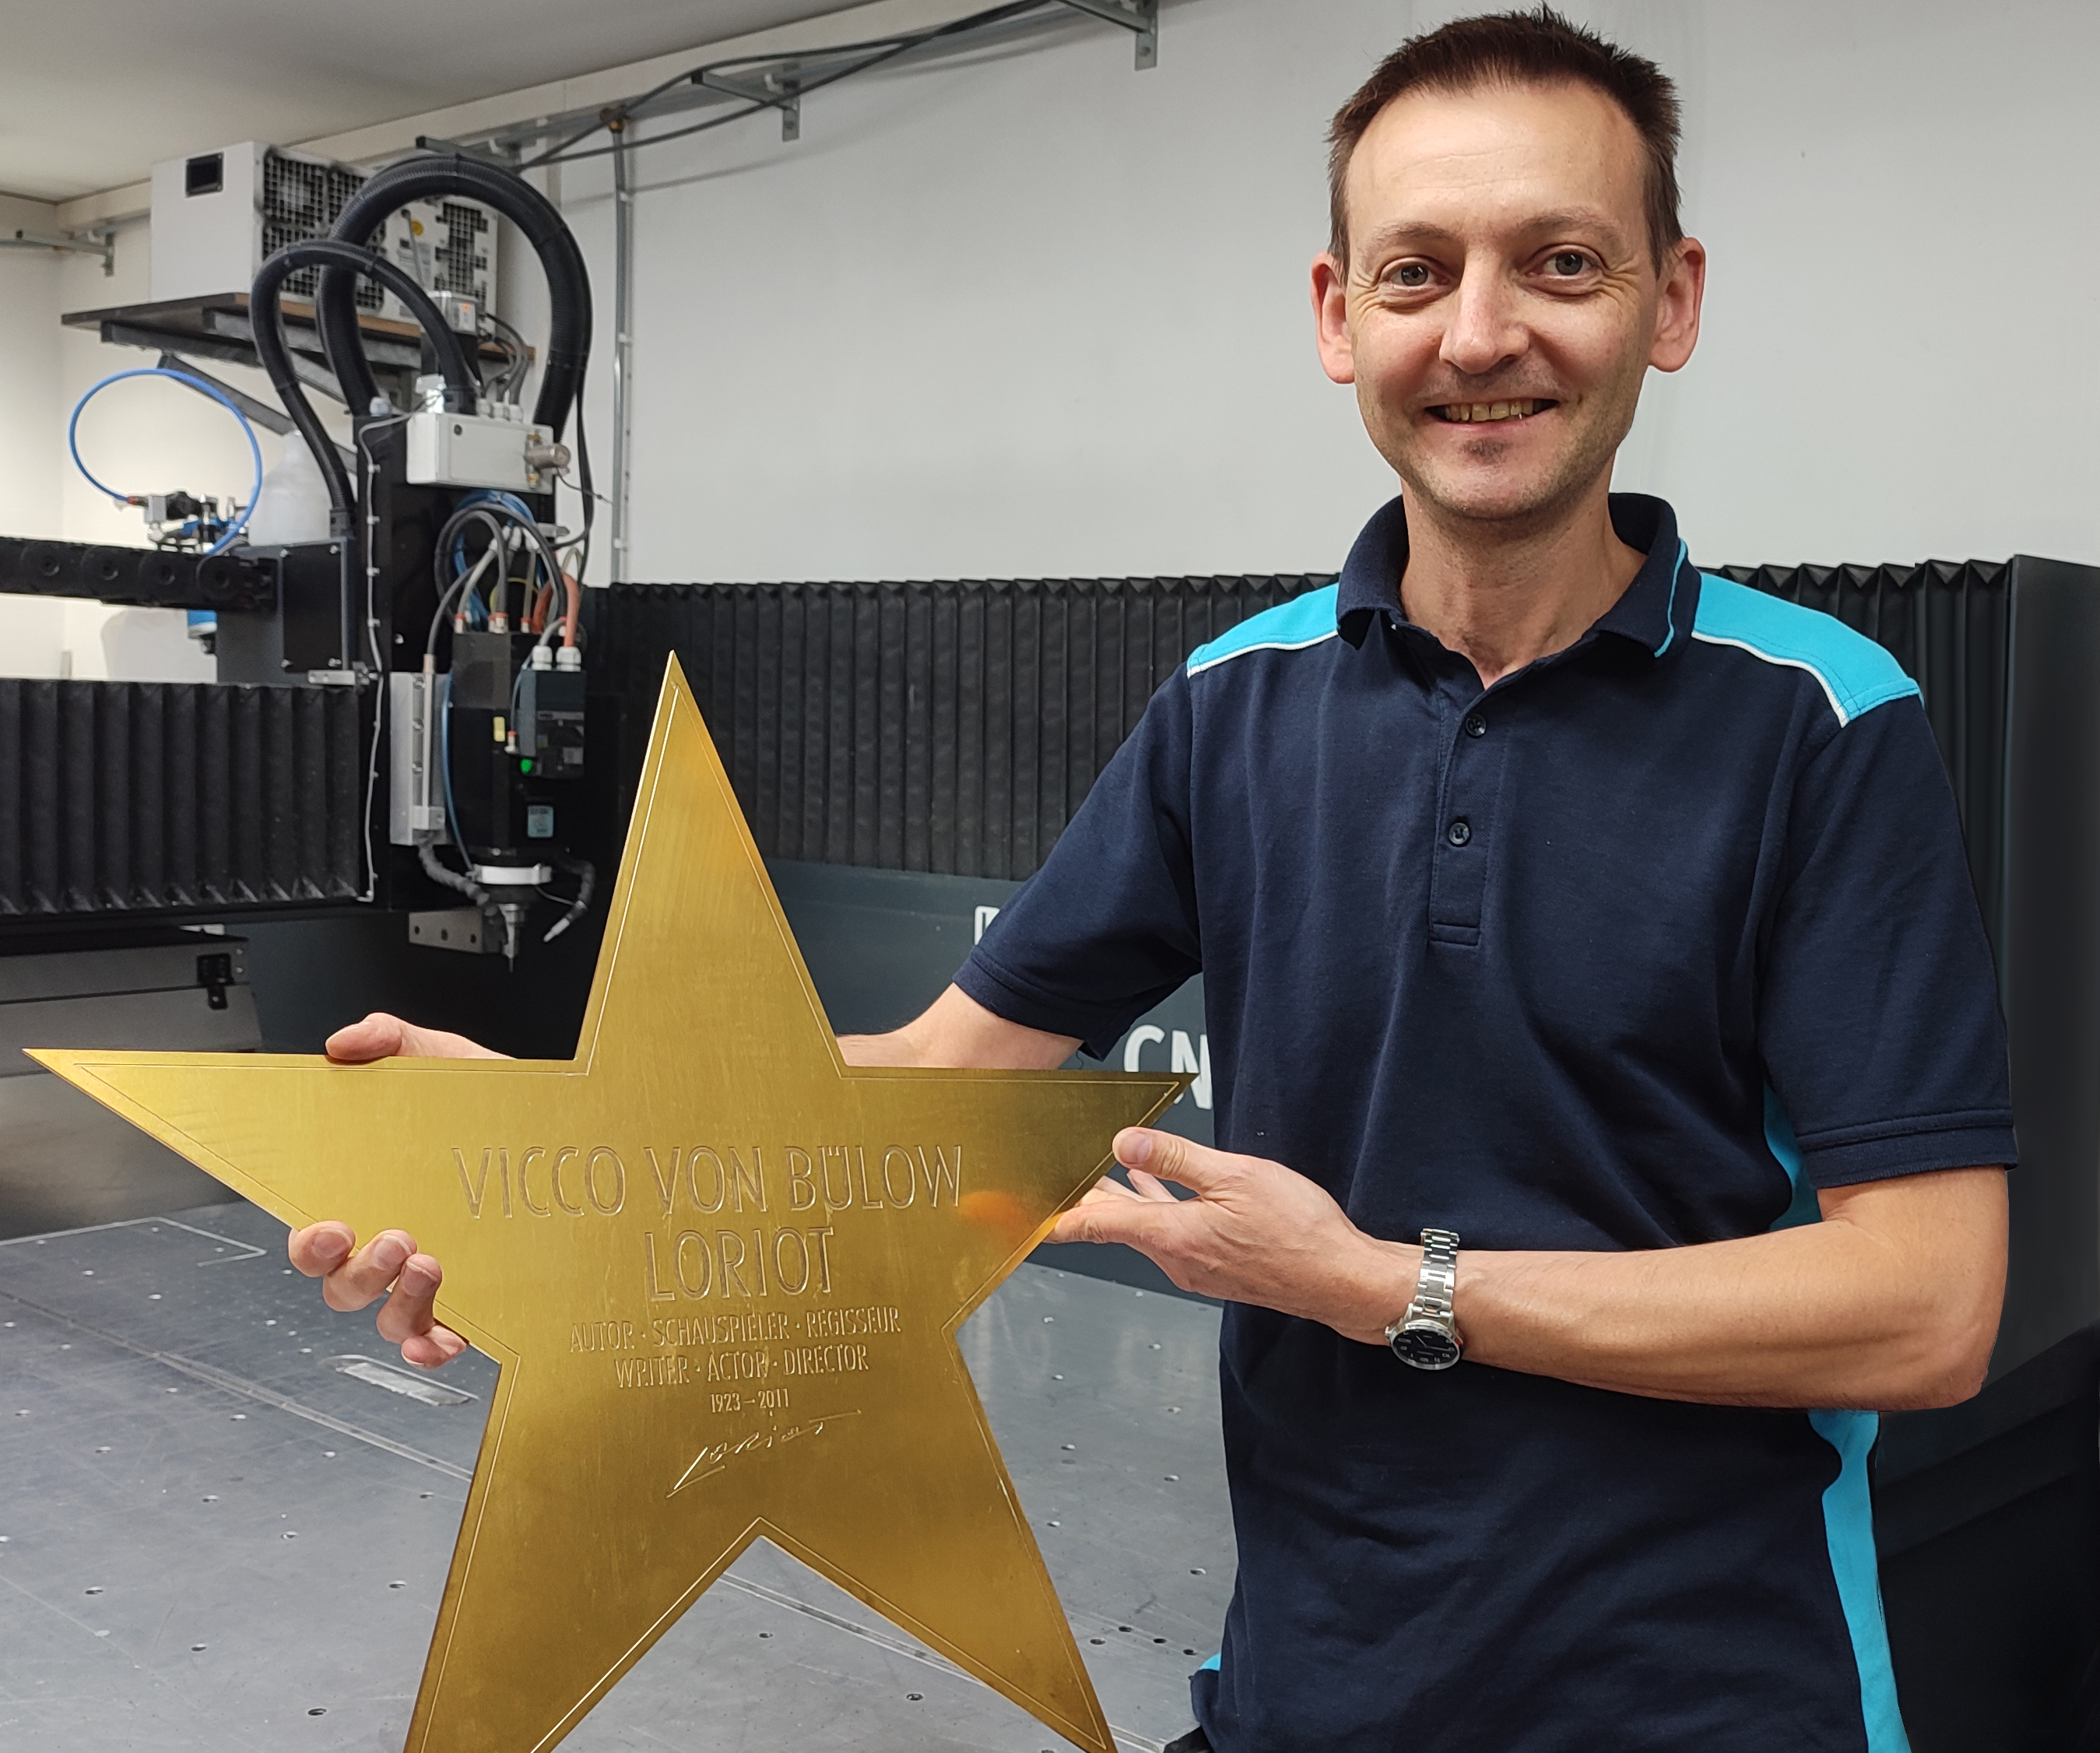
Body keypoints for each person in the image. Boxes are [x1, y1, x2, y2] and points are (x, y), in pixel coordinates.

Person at [295, 10, 2014, 1751]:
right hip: (1313, 1689)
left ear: (1670, 298)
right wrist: (539, 1147)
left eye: (1557, 261)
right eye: (1415, 271)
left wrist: (1384, 1287)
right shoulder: (1228, 706)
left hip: (1708, 1697)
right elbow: (938, 1084)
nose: (1481, 332)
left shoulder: (1820, 720)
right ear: (1340, 319)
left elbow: (1925, 1307)